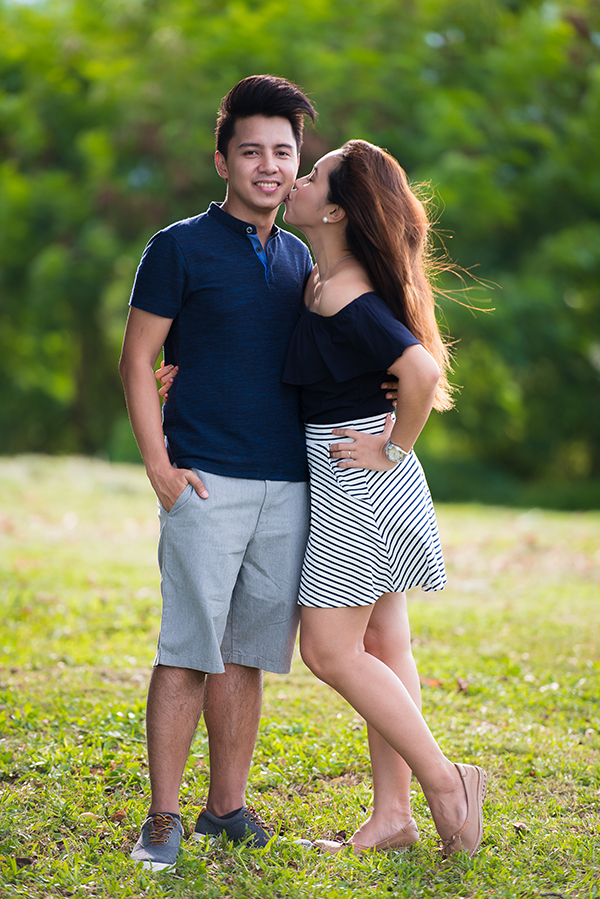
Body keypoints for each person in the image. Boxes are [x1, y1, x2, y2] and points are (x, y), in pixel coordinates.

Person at [118, 75, 318, 871]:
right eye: (253, 151)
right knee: (188, 649)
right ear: (222, 161)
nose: (269, 165)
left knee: (248, 652)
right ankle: (162, 817)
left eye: (283, 151)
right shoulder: (176, 247)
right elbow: (137, 360)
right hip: (204, 479)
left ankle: (226, 808)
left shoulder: (301, 255)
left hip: (288, 484)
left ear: (296, 162)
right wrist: (161, 468)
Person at [279, 139, 487, 857]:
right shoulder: (321, 277)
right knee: (384, 643)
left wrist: (393, 447)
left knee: (330, 651)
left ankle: (446, 781)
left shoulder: (347, 292)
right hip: (360, 474)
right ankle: (392, 816)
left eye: (312, 175)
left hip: (360, 477)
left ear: (335, 208)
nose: (298, 181)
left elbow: (421, 372)